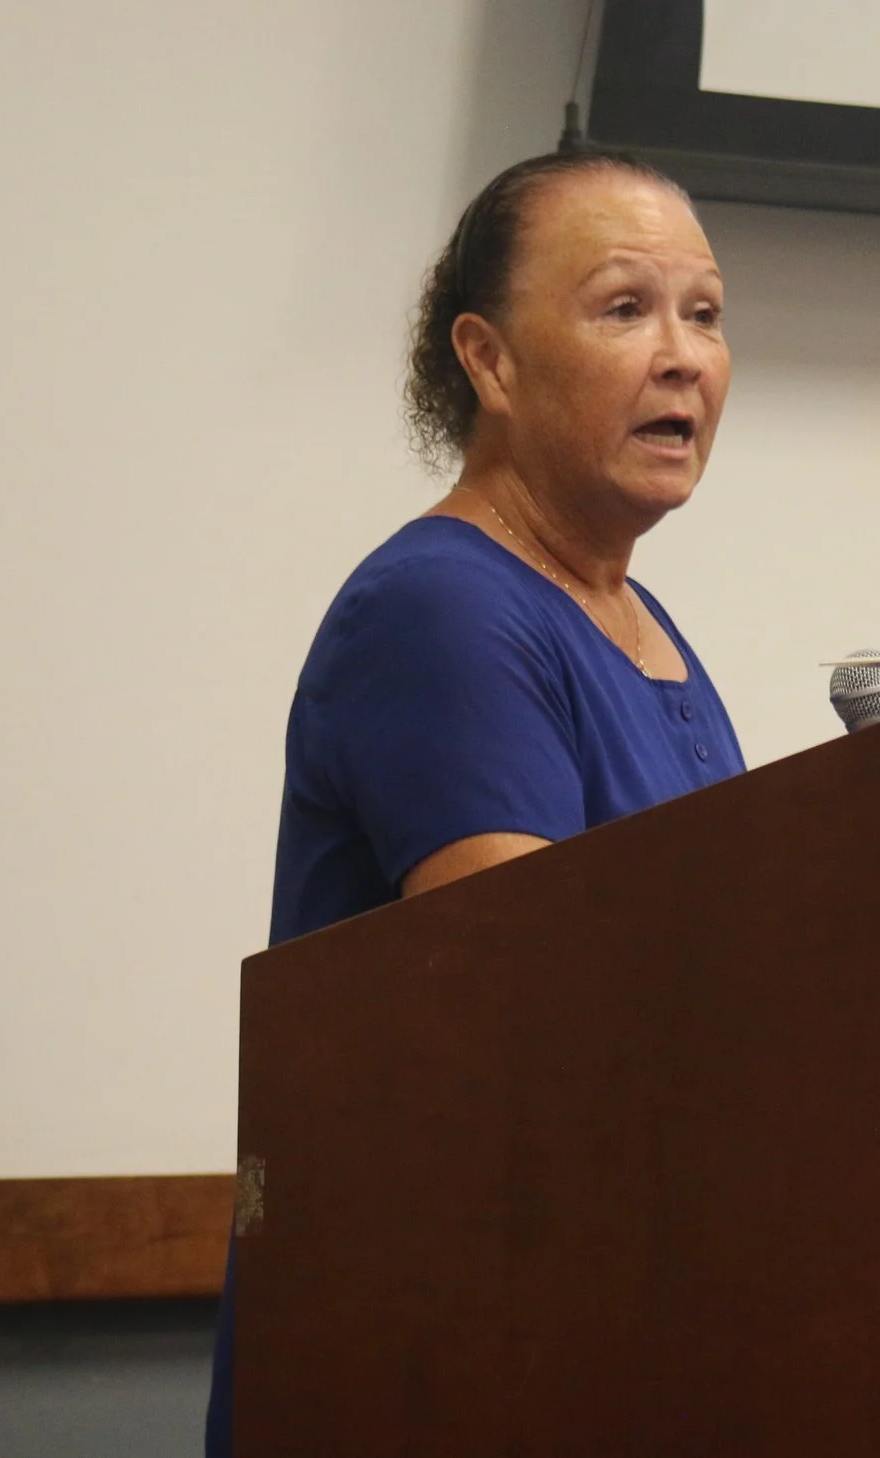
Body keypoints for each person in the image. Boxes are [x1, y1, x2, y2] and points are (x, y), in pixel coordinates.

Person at [203, 149, 745, 1454]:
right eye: (626, 308)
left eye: (707, 314)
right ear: (489, 361)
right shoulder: (445, 605)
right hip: (440, 1355)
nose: (683, 357)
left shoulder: (641, 620)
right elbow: (534, 1018)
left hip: (603, 1319)